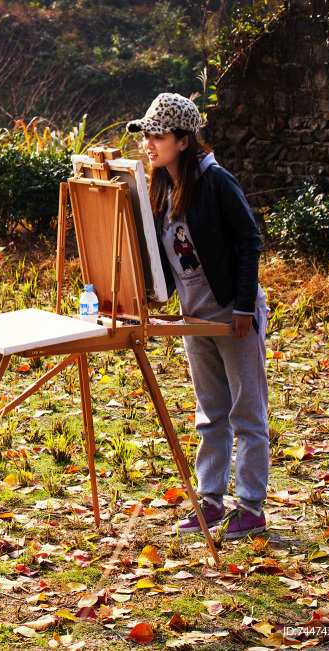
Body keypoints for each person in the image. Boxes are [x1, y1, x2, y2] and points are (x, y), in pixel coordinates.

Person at [127, 92, 269, 540]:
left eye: (159, 135)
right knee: (211, 413)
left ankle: (250, 507)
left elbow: (249, 241)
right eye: (146, 135)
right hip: (195, 316)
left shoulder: (216, 182)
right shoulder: (161, 186)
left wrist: (244, 306)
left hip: (233, 313)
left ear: (184, 140)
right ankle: (210, 500)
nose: (149, 144)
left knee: (247, 412)